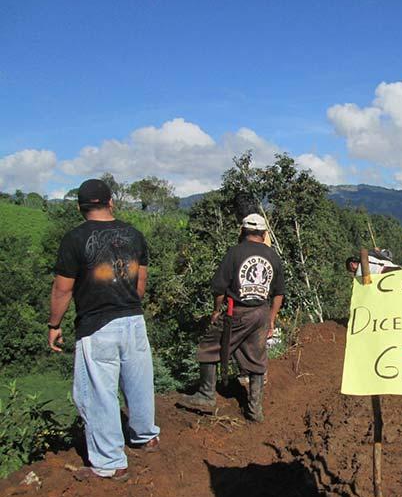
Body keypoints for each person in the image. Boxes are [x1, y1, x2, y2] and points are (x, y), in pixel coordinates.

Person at [48, 179, 159, 481]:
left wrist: (54, 325)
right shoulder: (134, 236)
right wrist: (127, 305)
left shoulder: (74, 239)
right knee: (139, 381)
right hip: (134, 320)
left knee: (98, 392)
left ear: (81, 207)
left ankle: (110, 462)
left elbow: (62, 289)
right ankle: (145, 436)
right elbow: (141, 284)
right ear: (111, 202)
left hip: (97, 325)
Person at [178, 213, 285, 421]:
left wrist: (217, 310)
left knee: (208, 347)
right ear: (264, 234)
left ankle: (207, 395)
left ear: (242, 232)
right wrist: (271, 318)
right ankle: (255, 411)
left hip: (238, 311)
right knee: (256, 359)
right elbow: (279, 293)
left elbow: (219, 288)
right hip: (261, 312)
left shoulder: (234, 253)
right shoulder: (273, 257)